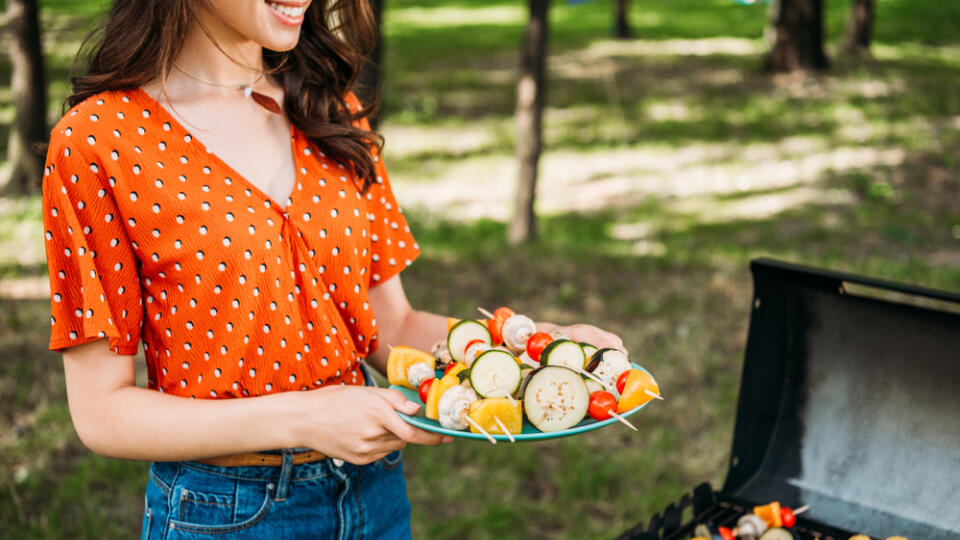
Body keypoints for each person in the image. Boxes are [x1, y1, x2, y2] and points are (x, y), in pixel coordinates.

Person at [40, 0, 623, 537]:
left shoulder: (332, 110)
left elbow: (390, 330)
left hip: (374, 495)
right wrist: (304, 418)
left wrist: (538, 352)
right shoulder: (99, 141)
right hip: (224, 513)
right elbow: (102, 412)